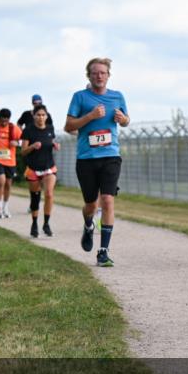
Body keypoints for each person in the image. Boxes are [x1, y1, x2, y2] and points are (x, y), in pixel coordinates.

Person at [65, 57, 129, 267]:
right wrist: (90, 116)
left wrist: (123, 119)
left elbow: (127, 120)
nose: (99, 76)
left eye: (103, 73)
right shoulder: (80, 97)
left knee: (108, 200)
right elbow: (68, 126)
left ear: (108, 75)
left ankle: (103, 251)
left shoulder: (117, 96)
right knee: (91, 204)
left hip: (110, 156)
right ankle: (88, 224)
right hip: (86, 158)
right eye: (95, 73)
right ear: (89, 76)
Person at [20, 104, 59, 237]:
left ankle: (46, 224)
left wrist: (54, 145)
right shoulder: (28, 131)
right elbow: (23, 152)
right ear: (34, 116)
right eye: (38, 115)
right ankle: (34, 223)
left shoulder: (50, 128)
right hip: (33, 169)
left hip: (49, 167)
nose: (41, 117)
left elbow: (50, 142)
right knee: (35, 198)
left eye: (43, 115)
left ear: (46, 116)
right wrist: (32, 146)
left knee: (48, 193)